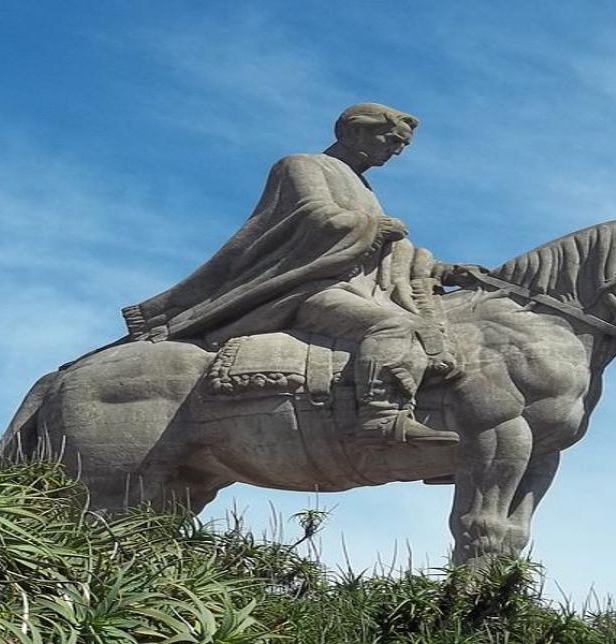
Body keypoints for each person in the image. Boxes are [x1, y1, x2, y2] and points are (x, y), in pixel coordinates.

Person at [121, 103, 480, 445]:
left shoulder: (365, 188)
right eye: (392, 140)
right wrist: (372, 226)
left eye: (402, 145)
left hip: (360, 287)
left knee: (440, 333)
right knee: (394, 327)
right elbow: (313, 216)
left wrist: (444, 271)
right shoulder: (302, 165)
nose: (397, 151)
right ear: (355, 132)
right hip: (311, 289)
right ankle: (381, 417)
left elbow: (388, 255)